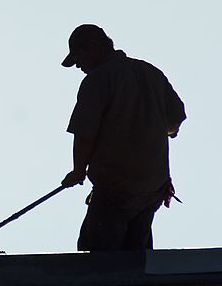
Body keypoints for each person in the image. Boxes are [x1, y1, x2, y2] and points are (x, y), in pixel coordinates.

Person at [60, 24, 186, 251]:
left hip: (114, 188)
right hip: (152, 189)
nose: (78, 65)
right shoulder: (151, 73)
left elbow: (85, 133)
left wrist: (78, 170)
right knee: (136, 261)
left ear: (95, 47)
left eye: (79, 56)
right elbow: (175, 121)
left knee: (96, 258)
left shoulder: (98, 80)